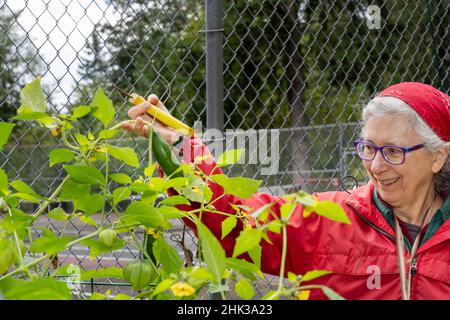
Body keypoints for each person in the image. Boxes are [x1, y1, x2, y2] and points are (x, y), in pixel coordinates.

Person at [121, 82, 450, 300]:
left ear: (438, 156)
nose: (376, 166)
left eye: (393, 151)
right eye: (368, 148)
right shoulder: (328, 219)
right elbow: (237, 223)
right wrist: (180, 151)